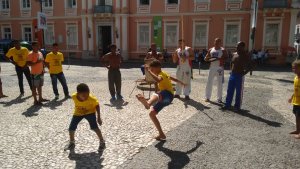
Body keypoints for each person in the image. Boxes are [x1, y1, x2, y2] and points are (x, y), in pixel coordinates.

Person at [136, 60, 185, 140]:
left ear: (158, 67)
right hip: (166, 99)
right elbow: (172, 78)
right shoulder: (165, 74)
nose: (151, 71)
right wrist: (181, 82)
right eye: (151, 70)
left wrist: (148, 71)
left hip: (167, 95)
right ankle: (161, 134)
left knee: (157, 93)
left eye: (152, 69)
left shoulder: (161, 74)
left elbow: (159, 79)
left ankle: (148, 103)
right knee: (152, 114)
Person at [64, 83, 105, 151]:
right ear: (78, 93)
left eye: (87, 94)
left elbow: (97, 105)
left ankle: (102, 142)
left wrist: (98, 117)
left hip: (90, 113)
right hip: (78, 113)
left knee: (94, 127)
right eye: (83, 95)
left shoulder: (92, 99)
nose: (86, 97)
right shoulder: (74, 96)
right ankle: (72, 142)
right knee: (71, 128)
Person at [222, 42, 253, 111]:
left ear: (243, 47)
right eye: (236, 46)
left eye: (238, 46)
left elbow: (251, 66)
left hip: (240, 75)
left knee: (239, 92)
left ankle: (237, 106)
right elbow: (231, 63)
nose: (236, 47)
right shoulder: (235, 54)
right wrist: (231, 70)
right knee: (229, 90)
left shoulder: (245, 55)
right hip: (232, 75)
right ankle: (227, 104)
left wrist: (244, 73)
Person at [204, 38, 228, 103]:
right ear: (214, 42)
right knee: (209, 82)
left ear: (220, 43)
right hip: (212, 67)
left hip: (219, 68)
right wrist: (208, 58)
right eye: (216, 41)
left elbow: (226, 58)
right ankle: (207, 97)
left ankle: (219, 98)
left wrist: (219, 59)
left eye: (218, 42)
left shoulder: (223, 50)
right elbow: (206, 58)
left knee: (219, 83)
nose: (217, 43)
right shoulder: (211, 49)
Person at [289, 60, 300, 139]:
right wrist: (291, 97)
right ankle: (297, 130)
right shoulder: (296, 77)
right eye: (293, 68)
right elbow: (296, 89)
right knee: (297, 116)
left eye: (295, 68)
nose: (294, 70)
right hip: (296, 101)